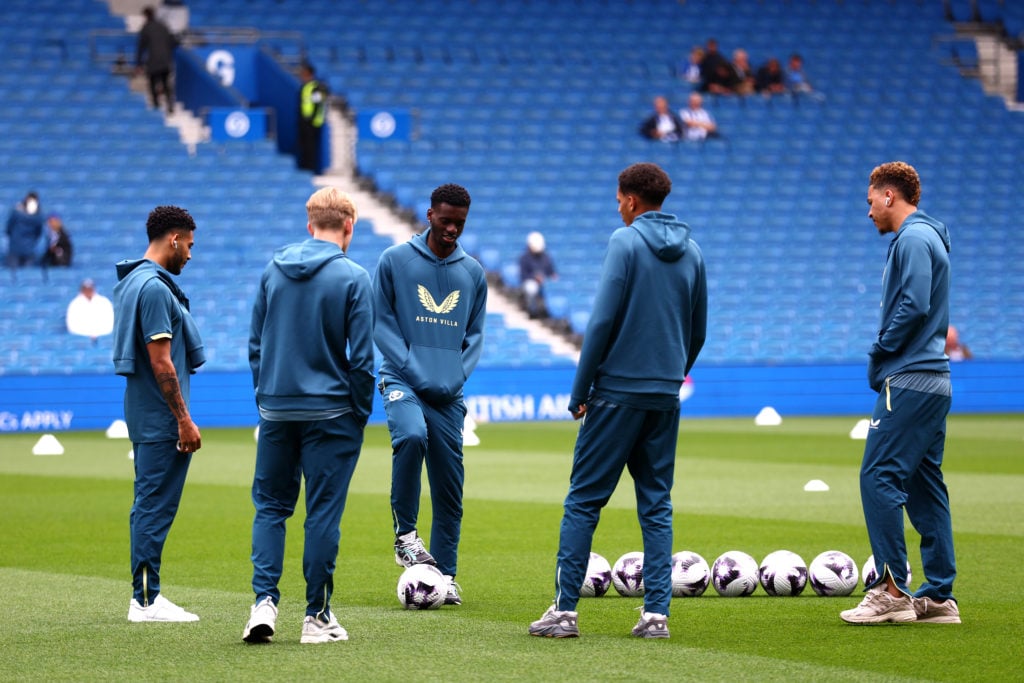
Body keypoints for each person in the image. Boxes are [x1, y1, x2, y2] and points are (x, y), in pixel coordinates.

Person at [529, 162, 707, 639]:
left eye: (618, 198)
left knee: (584, 502)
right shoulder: (691, 251)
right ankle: (656, 616)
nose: (616, 205)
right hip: (664, 395)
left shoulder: (624, 241)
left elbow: (603, 321)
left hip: (615, 395)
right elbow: (698, 330)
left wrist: (580, 390)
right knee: (656, 503)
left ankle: (564, 611)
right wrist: (669, 373)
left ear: (630, 200)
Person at [243, 187, 375, 645]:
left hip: (277, 409)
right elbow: (361, 360)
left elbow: (255, 346)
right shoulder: (355, 277)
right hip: (332, 411)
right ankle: (316, 617)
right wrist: (360, 411)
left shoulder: (272, 270)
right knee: (322, 514)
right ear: (349, 226)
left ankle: (263, 603)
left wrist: (267, 399)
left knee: (271, 508)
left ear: (309, 223)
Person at [840, 161, 960, 625]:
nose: (868, 211)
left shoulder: (911, 238)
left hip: (908, 378)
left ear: (889, 196)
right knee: (924, 484)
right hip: (935, 380)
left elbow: (914, 304)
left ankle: (890, 590)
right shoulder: (931, 237)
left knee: (879, 478)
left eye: (871, 200)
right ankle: (939, 597)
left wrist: (880, 350)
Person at [372, 183, 487, 607]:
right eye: (446, 219)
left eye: (460, 222)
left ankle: (446, 577)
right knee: (411, 436)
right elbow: (380, 322)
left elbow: (474, 336)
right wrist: (413, 367)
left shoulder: (472, 272)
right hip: (401, 379)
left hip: (447, 391)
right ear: (429, 214)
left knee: (449, 485)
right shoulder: (395, 260)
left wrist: (456, 375)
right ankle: (405, 536)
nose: (452, 228)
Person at [113, 205, 204, 622]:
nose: (189, 253)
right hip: (159, 418)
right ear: (173, 239)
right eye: (188, 244)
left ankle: (147, 594)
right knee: (153, 505)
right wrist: (183, 419)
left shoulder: (137, 281)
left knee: (149, 503)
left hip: (148, 414)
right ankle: (145, 599)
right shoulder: (152, 288)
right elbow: (162, 361)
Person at [135, 6, 178, 114]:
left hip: (153, 62)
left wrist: (138, 63)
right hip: (165, 60)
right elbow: (173, 42)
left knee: (152, 83)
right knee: (166, 84)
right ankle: (170, 105)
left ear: (145, 16)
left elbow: (141, 47)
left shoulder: (146, 28)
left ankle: (156, 105)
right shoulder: (163, 26)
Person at [518, 231, 558, 319]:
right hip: (531, 281)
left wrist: (553, 277)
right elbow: (523, 275)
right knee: (531, 288)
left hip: (545, 281)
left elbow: (551, 272)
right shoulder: (524, 258)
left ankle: (550, 312)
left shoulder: (546, 257)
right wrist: (535, 277)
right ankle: (533, 311)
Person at [297, 62, 328, 173]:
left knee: (311, 148)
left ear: (310, 74)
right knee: (304, 146)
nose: (301, 75)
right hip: (304, 122)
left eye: (303, 73)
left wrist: (312, 119)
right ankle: (305, 169)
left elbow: (318, 105)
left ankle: (310, 170)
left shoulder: (316, 87)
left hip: (312, 123)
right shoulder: (305, 87)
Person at [6, 191, 45, 278]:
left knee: (25, 276)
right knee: (16, 275)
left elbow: (9, 228)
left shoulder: (17, 212)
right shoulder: (38, 215)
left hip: (23, 248)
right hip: (19, 248)